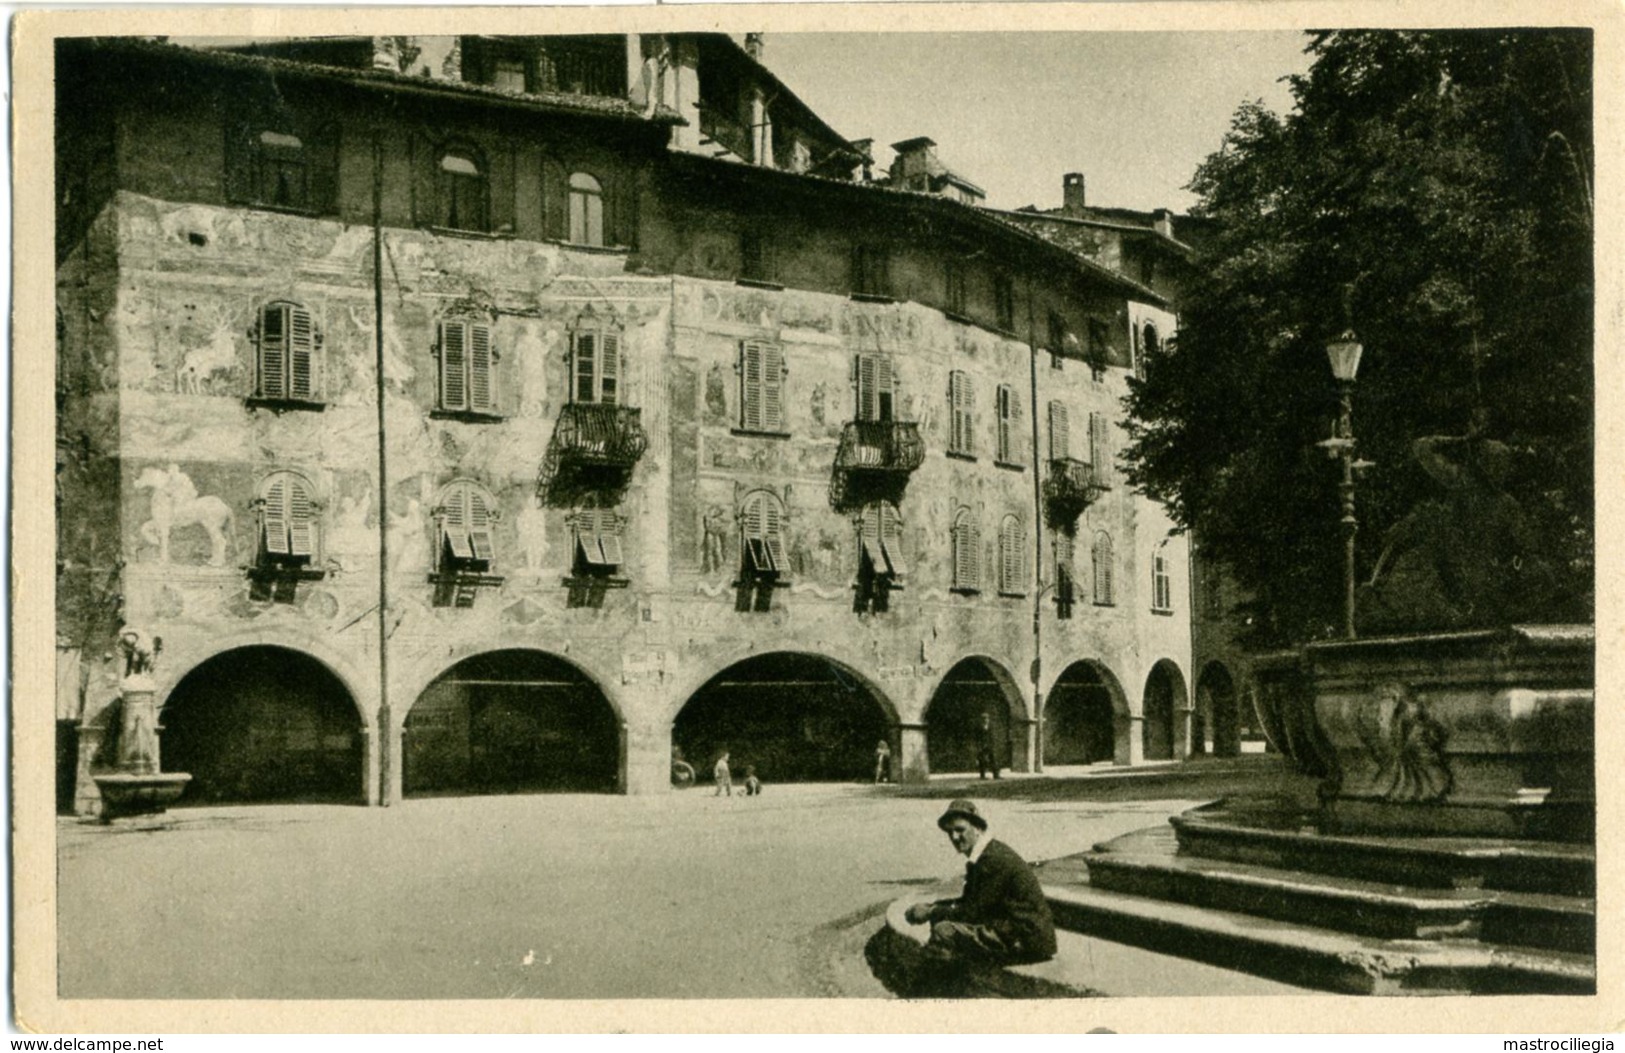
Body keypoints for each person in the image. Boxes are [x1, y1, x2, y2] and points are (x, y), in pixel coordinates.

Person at [904, 799, 1056, 967]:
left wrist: (931, 911)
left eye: (960, 830)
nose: (954, 837)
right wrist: (931, 907)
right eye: (950, 832)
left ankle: (942, 986)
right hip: (1013, 930)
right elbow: (969, 901)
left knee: (944, 931)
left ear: (977, 828)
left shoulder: (992, 860)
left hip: (1025, 938)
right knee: (945, 925)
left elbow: (972, 912)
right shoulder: (985, 855)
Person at [977, 713, 1001, 780]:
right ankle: (982, 775)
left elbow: (993, 736)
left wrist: (993, 744)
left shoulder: (991, 726)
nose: (985, 720)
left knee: (993, 759)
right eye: (984, 719)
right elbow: (977, 737)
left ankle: (996, 775)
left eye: (986, 718)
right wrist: (979, 746)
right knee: (982, 760)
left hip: (990, 745)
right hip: (982, 745)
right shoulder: (979, 727)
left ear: (988, 719)